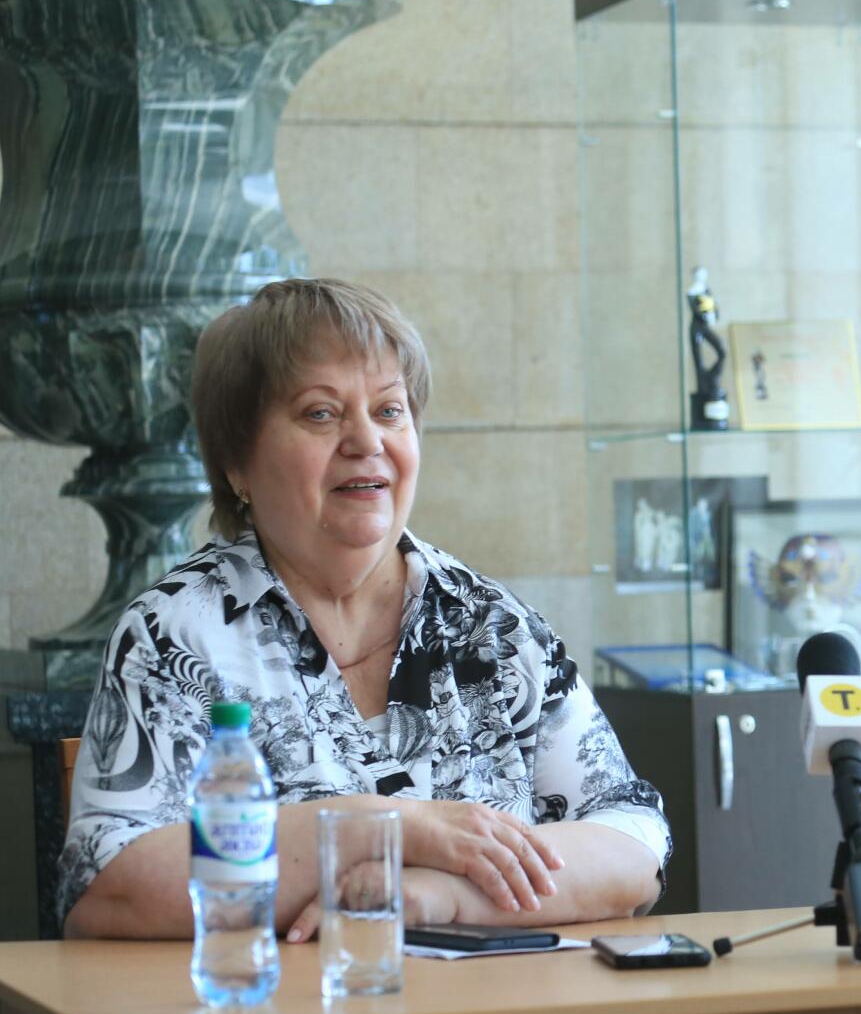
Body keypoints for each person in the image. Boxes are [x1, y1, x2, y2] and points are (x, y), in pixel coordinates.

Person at [59, 278, 670, 941]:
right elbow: (108, 887)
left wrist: (440, 894)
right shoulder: (174, 635)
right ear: (237, 463)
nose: (365, 440)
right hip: (276, 1005)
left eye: (389, 410)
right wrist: (375, 829)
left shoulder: (488, 624)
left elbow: (633, 840)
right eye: (321, 414)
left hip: (494, 1006)